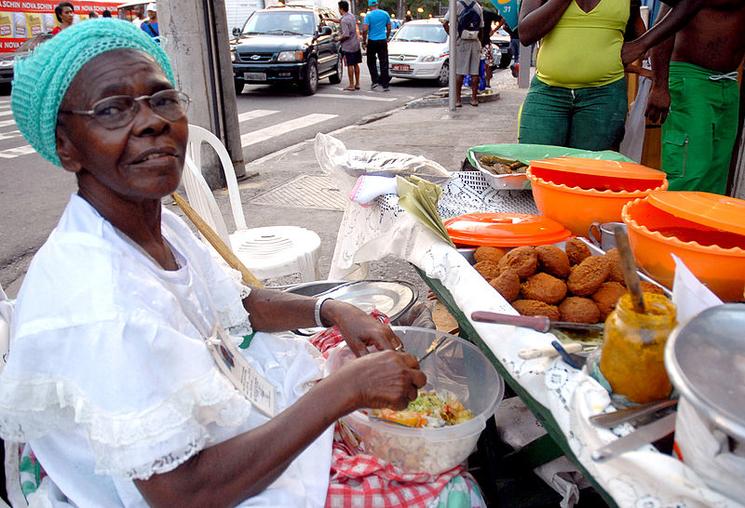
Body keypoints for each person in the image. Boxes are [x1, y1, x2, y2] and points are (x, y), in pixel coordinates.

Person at [0, 19, 428, 507]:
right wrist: (343, 393)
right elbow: (183, 493)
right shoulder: (102, 303)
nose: (151, 122)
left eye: (162, 100)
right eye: (113, 109)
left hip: (229, 422)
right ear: (66, 146)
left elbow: (236, 304)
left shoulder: (153, 222)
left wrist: (332, 310)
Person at [517, 0, 646, 151]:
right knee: (535, 163)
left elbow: (679, 8)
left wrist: (643, 44)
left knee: (592, 170)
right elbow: (526, 34)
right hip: (548, 93)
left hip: (605, 96)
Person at [645, 0, 745, 194]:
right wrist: (659, 86)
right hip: (690, 79)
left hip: (729, 83)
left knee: (716, 173)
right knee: (688, 172)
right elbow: (664, 27)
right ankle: (669, 222)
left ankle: (699, 224)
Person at [443, 0, 484, 107]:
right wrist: (480, 43)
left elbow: (445, 22)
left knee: (459, 72)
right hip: (475, 41)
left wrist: (452, 36)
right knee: (475, 72)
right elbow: (481, 27)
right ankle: (474, 99)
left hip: (460, 42)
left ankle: (457, 100)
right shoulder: (478, 7)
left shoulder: (456, 5)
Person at [362, 0, 391, 91]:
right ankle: (385, 84)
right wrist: (386, 37)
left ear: (369, 5)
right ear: (377, 4)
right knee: (384, 61)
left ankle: (375, 81)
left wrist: (364, 41)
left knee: (371, 61)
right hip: (382, 40)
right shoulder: (385, 14)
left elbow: (365, 30)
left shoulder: (368, 15)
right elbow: (389, 28)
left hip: (372, 41)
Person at [338, 0, 361, 91]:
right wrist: (329, 19)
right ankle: (357, 83)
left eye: (339, 8)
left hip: (348, 46)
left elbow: (346, 34)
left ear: (341, 9)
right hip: (356, 44)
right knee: (356, 64)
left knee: (350, 65)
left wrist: (338, 38)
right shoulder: (351, 16)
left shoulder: (344, 20)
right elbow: (339, 21)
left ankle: (351, 85)